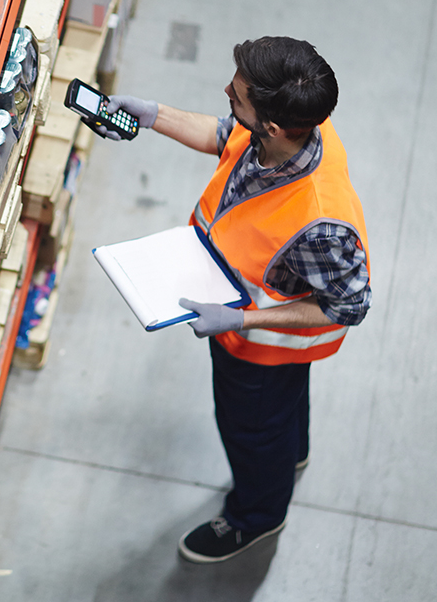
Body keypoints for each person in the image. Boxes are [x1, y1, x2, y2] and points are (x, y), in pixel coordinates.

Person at [105, 36, 371, 563]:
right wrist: (154, 115)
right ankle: (291, 454)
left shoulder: (321, 224)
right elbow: (227, 135)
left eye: (238, 94)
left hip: (260, 350)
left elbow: (349, 305)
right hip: (253, 335)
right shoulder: (292, 130)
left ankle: (258, 516)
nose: (226, 91)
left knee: (251, 430)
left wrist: (242, 318)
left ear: (272, 126)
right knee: (282, 421)